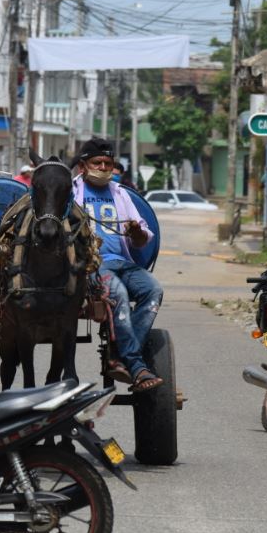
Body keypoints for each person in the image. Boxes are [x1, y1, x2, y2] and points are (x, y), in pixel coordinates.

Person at [74, 138, 164, 392]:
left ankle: (119, 351)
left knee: (153, 290)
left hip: (123, 262)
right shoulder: (71, 193)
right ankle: (135, 365)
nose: (103, 168)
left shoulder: (120, 193)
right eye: (97, 162)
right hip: (92, 266)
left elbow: (141, 238)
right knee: (119, 294)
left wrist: (135, 231)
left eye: (108, 163)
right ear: (83, 166)